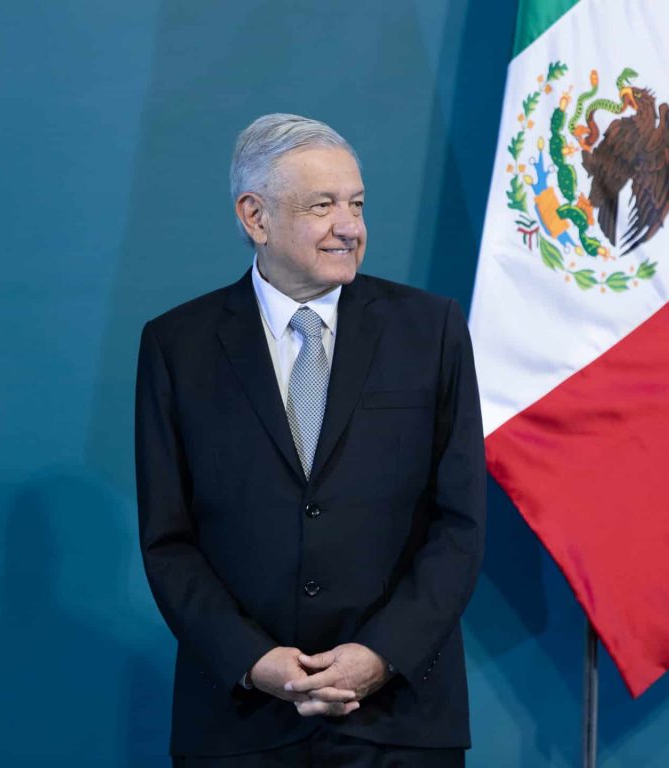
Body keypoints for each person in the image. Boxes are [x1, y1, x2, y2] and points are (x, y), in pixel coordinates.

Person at [135, 113, 486, 767]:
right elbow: (168, 541)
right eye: (323, 206)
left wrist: (381, 655)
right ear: (255, 216)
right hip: (240, 726)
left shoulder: (429, 330)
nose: (350, 227)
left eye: (355, 204)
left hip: (399, 722)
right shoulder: (177, 347)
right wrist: (254, 661)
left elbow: (460, 524)